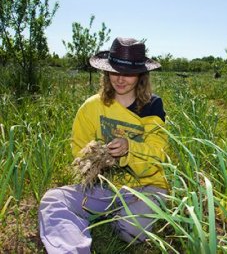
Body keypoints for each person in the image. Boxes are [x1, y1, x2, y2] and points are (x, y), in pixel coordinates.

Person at [38, 37, 168, 253]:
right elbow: (78, 153)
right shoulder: (92, 106)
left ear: (141, 75)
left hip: (147, 186)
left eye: (128, 74)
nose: (120, 79)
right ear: (106, 72)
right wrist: (95, 159)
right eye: (115, 71)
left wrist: (129, 148)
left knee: (129, 230)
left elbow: (156, 157)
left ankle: (111, 217)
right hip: (105, 188)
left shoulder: (152, 106)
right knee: (54, 200)